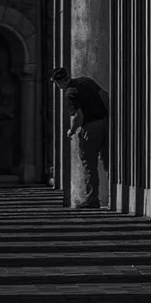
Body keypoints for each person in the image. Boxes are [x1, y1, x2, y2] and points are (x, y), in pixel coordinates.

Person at [50, 65, 109, 208]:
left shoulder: (70, 92)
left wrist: (71, 131)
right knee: (108, 161)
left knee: (89, 165)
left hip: (89, 128)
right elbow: (105, 95)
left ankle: (92, 199)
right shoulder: (86, 81)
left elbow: (78, 116)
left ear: (59, 82)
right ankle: (114, 194)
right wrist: (108, 116)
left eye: (56, 84)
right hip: (106, 123)